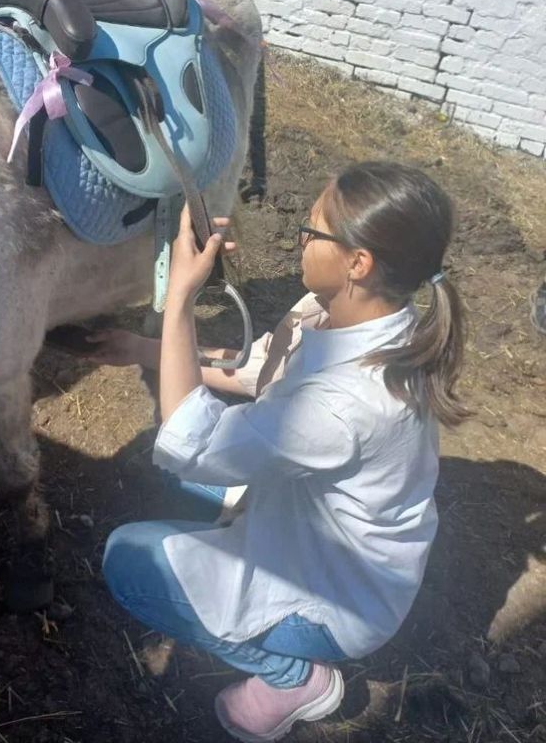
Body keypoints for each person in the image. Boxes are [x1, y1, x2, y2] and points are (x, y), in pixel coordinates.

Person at [90, 161, 467, 743]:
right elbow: (253, 370)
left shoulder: (346, 404)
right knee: (191, 485)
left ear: (358, 263)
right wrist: (141, 347)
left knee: (129, 561)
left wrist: (182, 302)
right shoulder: (361, 315)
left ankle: (294, 677)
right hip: (318, 528)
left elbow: (189, 445)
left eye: (313, 231)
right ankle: (237, 541)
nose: (301, 239)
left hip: (340, 597)